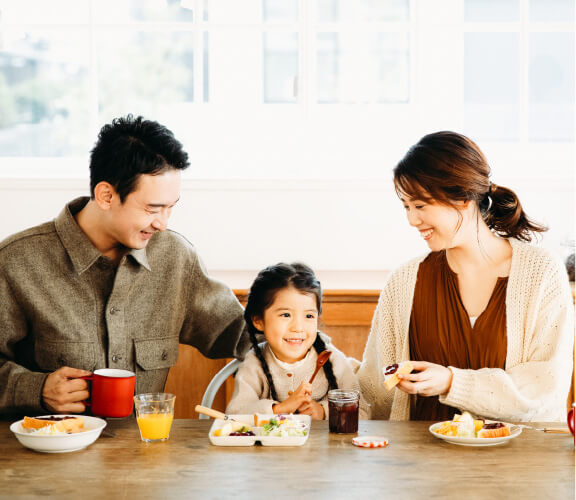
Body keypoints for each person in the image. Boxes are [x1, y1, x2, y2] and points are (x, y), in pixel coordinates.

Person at [0, 115, 250, 415]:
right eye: (152, 209)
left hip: (147, 453)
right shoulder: (17, 261)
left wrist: (312, 345)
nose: (163, 223)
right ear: (106, 195)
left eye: (171, 208)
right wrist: (36, 389)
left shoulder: (175, 257)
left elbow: (244, 334)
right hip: (46, 455)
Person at [357, 131, 574, 422]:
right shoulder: (404, 281)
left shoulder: (542, 273)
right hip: (419, 463)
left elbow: (545, 389)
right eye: (406, 207)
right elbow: (374, 393)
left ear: (462, 199)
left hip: (516, 464)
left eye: (420, 205)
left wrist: (451, 382)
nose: (411, 219)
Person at [226, 262, 369, 420]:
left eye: (308, 316)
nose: (298, 327)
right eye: (286, 315)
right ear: (259, 320)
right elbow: (234, 416)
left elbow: (363, 413)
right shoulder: (254, 363)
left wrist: (323, 412)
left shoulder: (332, 359)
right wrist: (279, 408)